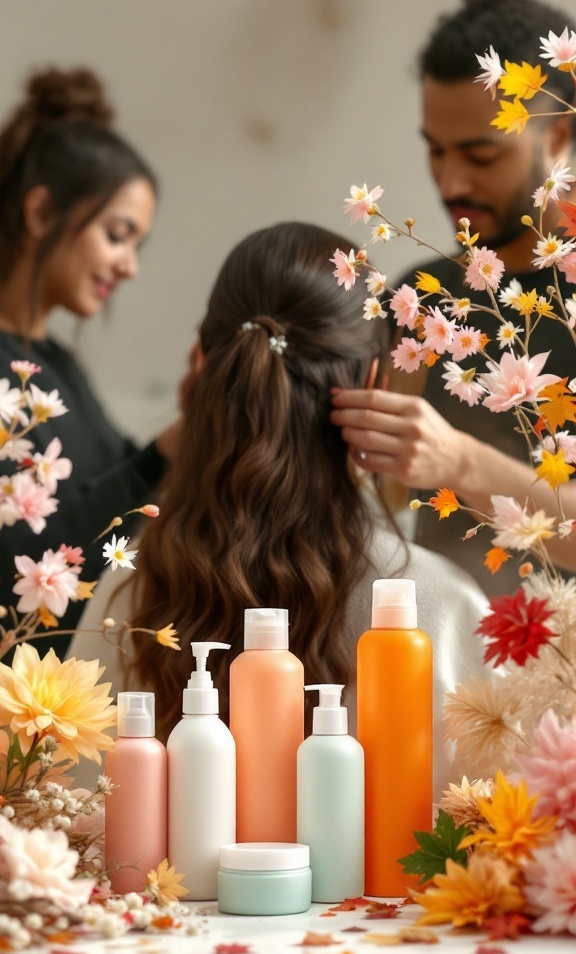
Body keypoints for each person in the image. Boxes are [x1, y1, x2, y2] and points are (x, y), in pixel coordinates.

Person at [69, 221, 491, 798]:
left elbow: (68, 816)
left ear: (202, 360)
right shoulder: (441, 608)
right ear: (375, 380)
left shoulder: (127, 596)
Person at [330, 0, 576, 591]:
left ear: (559, 138)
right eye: (435, 150)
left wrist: (461, 462)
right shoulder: (421, 302)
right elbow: (373, 517)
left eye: (480, 155)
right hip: (442, 666)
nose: (449, 183)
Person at [0, 67, 181, 655]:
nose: (129, 265)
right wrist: (165, 451)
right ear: (41, 213)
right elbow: (27, 559)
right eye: (117, 234)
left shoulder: (53, 364)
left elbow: (114, 478)